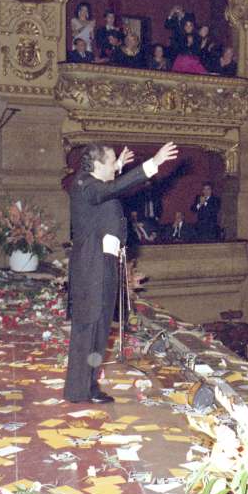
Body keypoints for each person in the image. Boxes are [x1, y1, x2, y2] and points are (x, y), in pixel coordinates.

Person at [65, 141, 178, 403]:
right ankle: (77, 391)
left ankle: (89, 387)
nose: (115, 166)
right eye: (111, 161)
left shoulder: (92, 182)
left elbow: (107, 184)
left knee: (101, 327)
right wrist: (152, 164)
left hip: (104, 264)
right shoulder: (85, 185)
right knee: (88, 327)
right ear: (96, 165)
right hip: (92, 266)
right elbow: (110, 188)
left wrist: (116, 165)